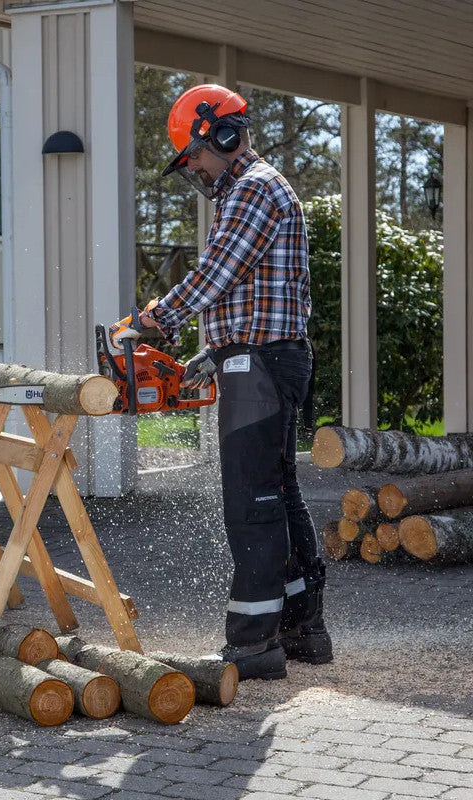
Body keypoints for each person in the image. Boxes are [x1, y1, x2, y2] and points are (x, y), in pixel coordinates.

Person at [110, 84, 331, 681]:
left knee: (251, 500)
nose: (198, 168)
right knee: (279, 492)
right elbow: (251, 297)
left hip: (260, 363)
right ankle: (301, 627)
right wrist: (208, 354)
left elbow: (216, 276)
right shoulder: (251, 191)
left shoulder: (253, 189)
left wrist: (152, 320)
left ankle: (253, 644)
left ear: (223, 135)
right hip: (259, 356)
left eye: (198, 155)